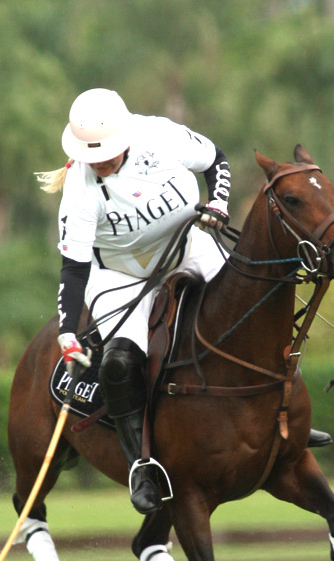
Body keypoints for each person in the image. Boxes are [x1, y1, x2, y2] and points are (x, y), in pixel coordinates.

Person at [36, 88, 232, 516]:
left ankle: (282, 410)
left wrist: (218, 202)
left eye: (106, 151)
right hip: (120, 274)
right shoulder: (80, 189)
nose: (101, 161)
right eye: (93, 154)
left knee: (247, 306)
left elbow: (216, 159)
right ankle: (142, 468)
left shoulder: (158, 136)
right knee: (118, 364)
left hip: (185, 246)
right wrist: (68, 331)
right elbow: (74, 268)